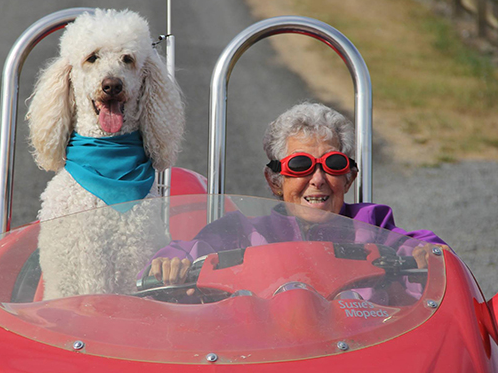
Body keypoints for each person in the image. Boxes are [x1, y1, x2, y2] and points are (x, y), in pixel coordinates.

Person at [149, 102, 447, 290]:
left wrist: (422, 254)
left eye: (333, 164)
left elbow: (429, 248)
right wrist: (172, 260)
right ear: (274, 181)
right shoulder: (242, 231)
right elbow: (187, 250)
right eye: (301, 165)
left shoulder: (371, 225)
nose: (317, 180)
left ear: (349, 177)